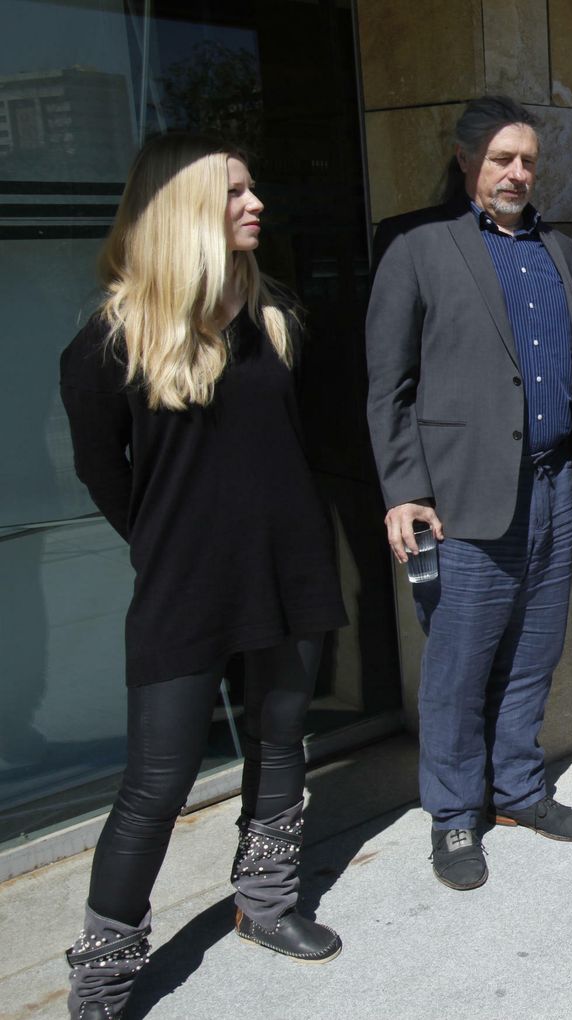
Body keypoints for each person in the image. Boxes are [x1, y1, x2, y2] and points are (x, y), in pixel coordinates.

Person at [58, 133, 347, 1018]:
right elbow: (107, 478)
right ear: (182, 210)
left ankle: (264, 905)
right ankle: (103, 974)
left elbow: (302, 445)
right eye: (234, 193)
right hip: (185, 588)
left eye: (253, 190)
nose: (255, 204)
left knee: (280, 737)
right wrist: (174, 546)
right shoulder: (109, 345)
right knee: (156, 781)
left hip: (288, 570)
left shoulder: (274, 321)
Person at [366, 95, 572, 891]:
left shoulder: (558, 251)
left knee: (535, 655)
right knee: (460, 666)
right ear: (467, 160)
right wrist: (404, 490)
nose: (517, 173)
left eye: (528, 159)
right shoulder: (418, 248)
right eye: (502, 158)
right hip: (463, 501)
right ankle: (455, 816)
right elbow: (387, 387)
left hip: (548, 490)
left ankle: (519, 790)